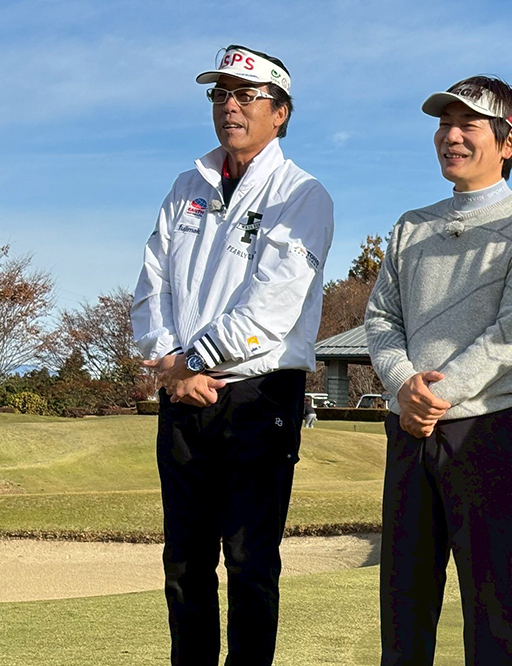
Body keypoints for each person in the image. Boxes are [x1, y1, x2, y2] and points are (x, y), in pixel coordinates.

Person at [131, 44, 334, 665]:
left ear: (281, 112)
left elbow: (272, 308)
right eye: (220, 94)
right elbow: (152, 285)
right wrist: (169, 361)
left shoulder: (303, 194)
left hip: (258, 397)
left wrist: (189, 364)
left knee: (250, 563)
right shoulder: (185, 185)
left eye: (247, 95)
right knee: (185, 561)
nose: (230, 106)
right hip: (182, 394)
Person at [365, 75, 512, 665]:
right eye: (443, 124)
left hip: (488, 431)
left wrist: (435, 396)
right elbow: (381, 317)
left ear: (509, 140)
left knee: (492, 617)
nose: (450, 136)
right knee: (403, 613)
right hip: (410, 430)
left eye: (467, 125)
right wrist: (403, 383)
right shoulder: (410, 226)